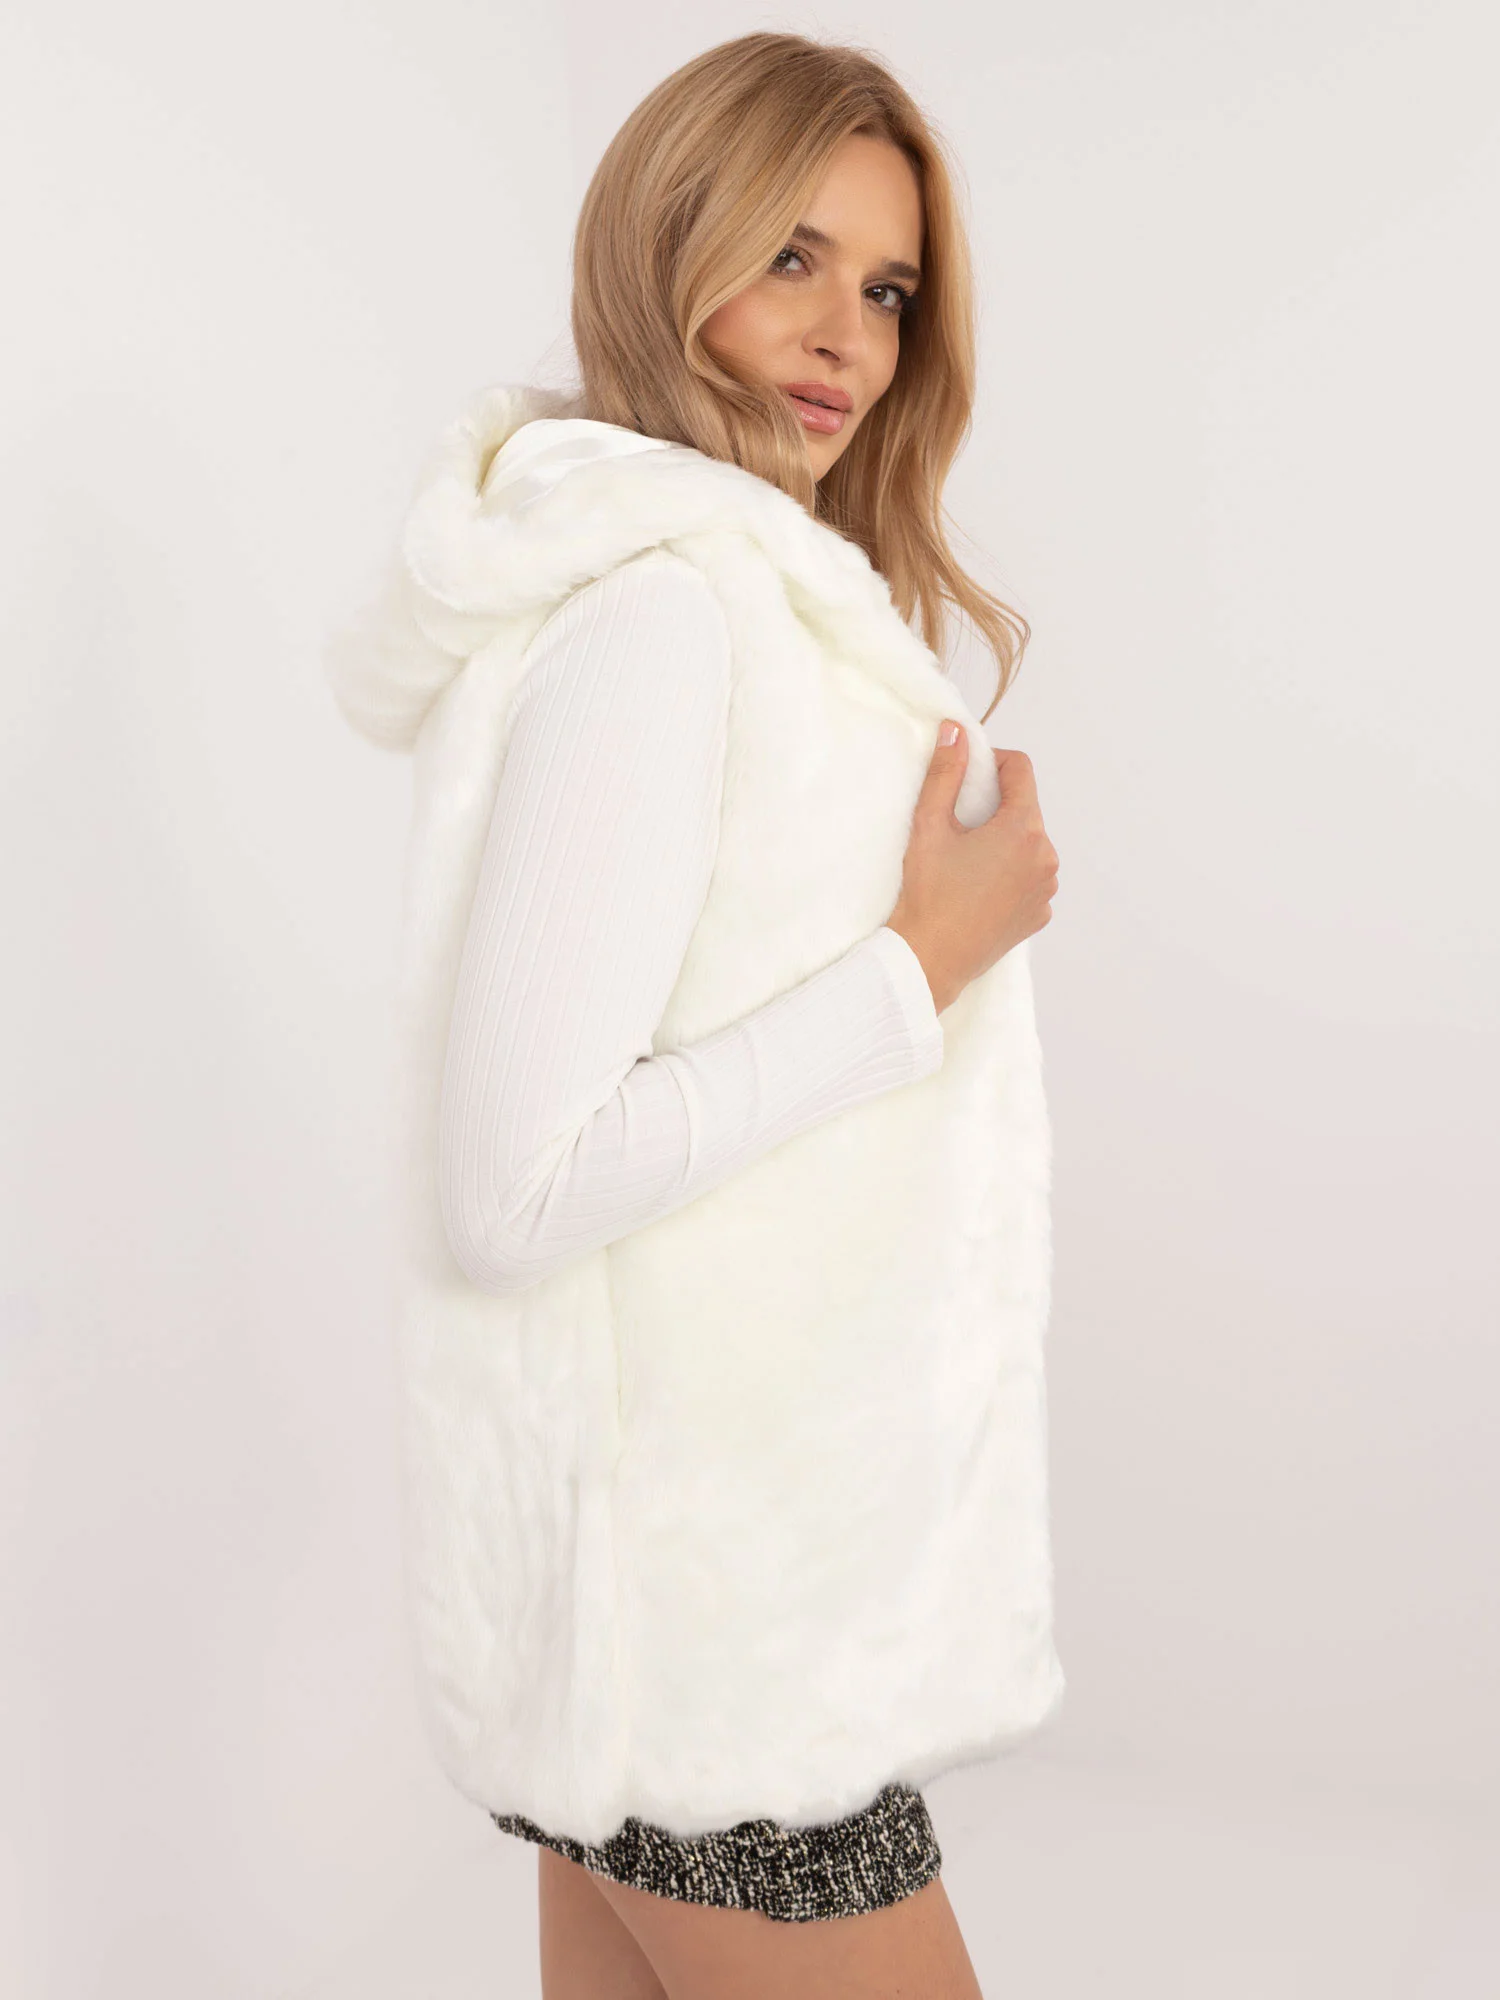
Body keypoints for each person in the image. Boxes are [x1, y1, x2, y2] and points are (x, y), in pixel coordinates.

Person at [325, 30, 1062, 1999]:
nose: (845, 338)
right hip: (717, 1647)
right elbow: (513, 1185)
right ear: (667, 249)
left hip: (694, 1609)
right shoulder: (663, 617)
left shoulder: (727, 605)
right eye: (791, 256)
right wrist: (918, 967)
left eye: (887, 289)